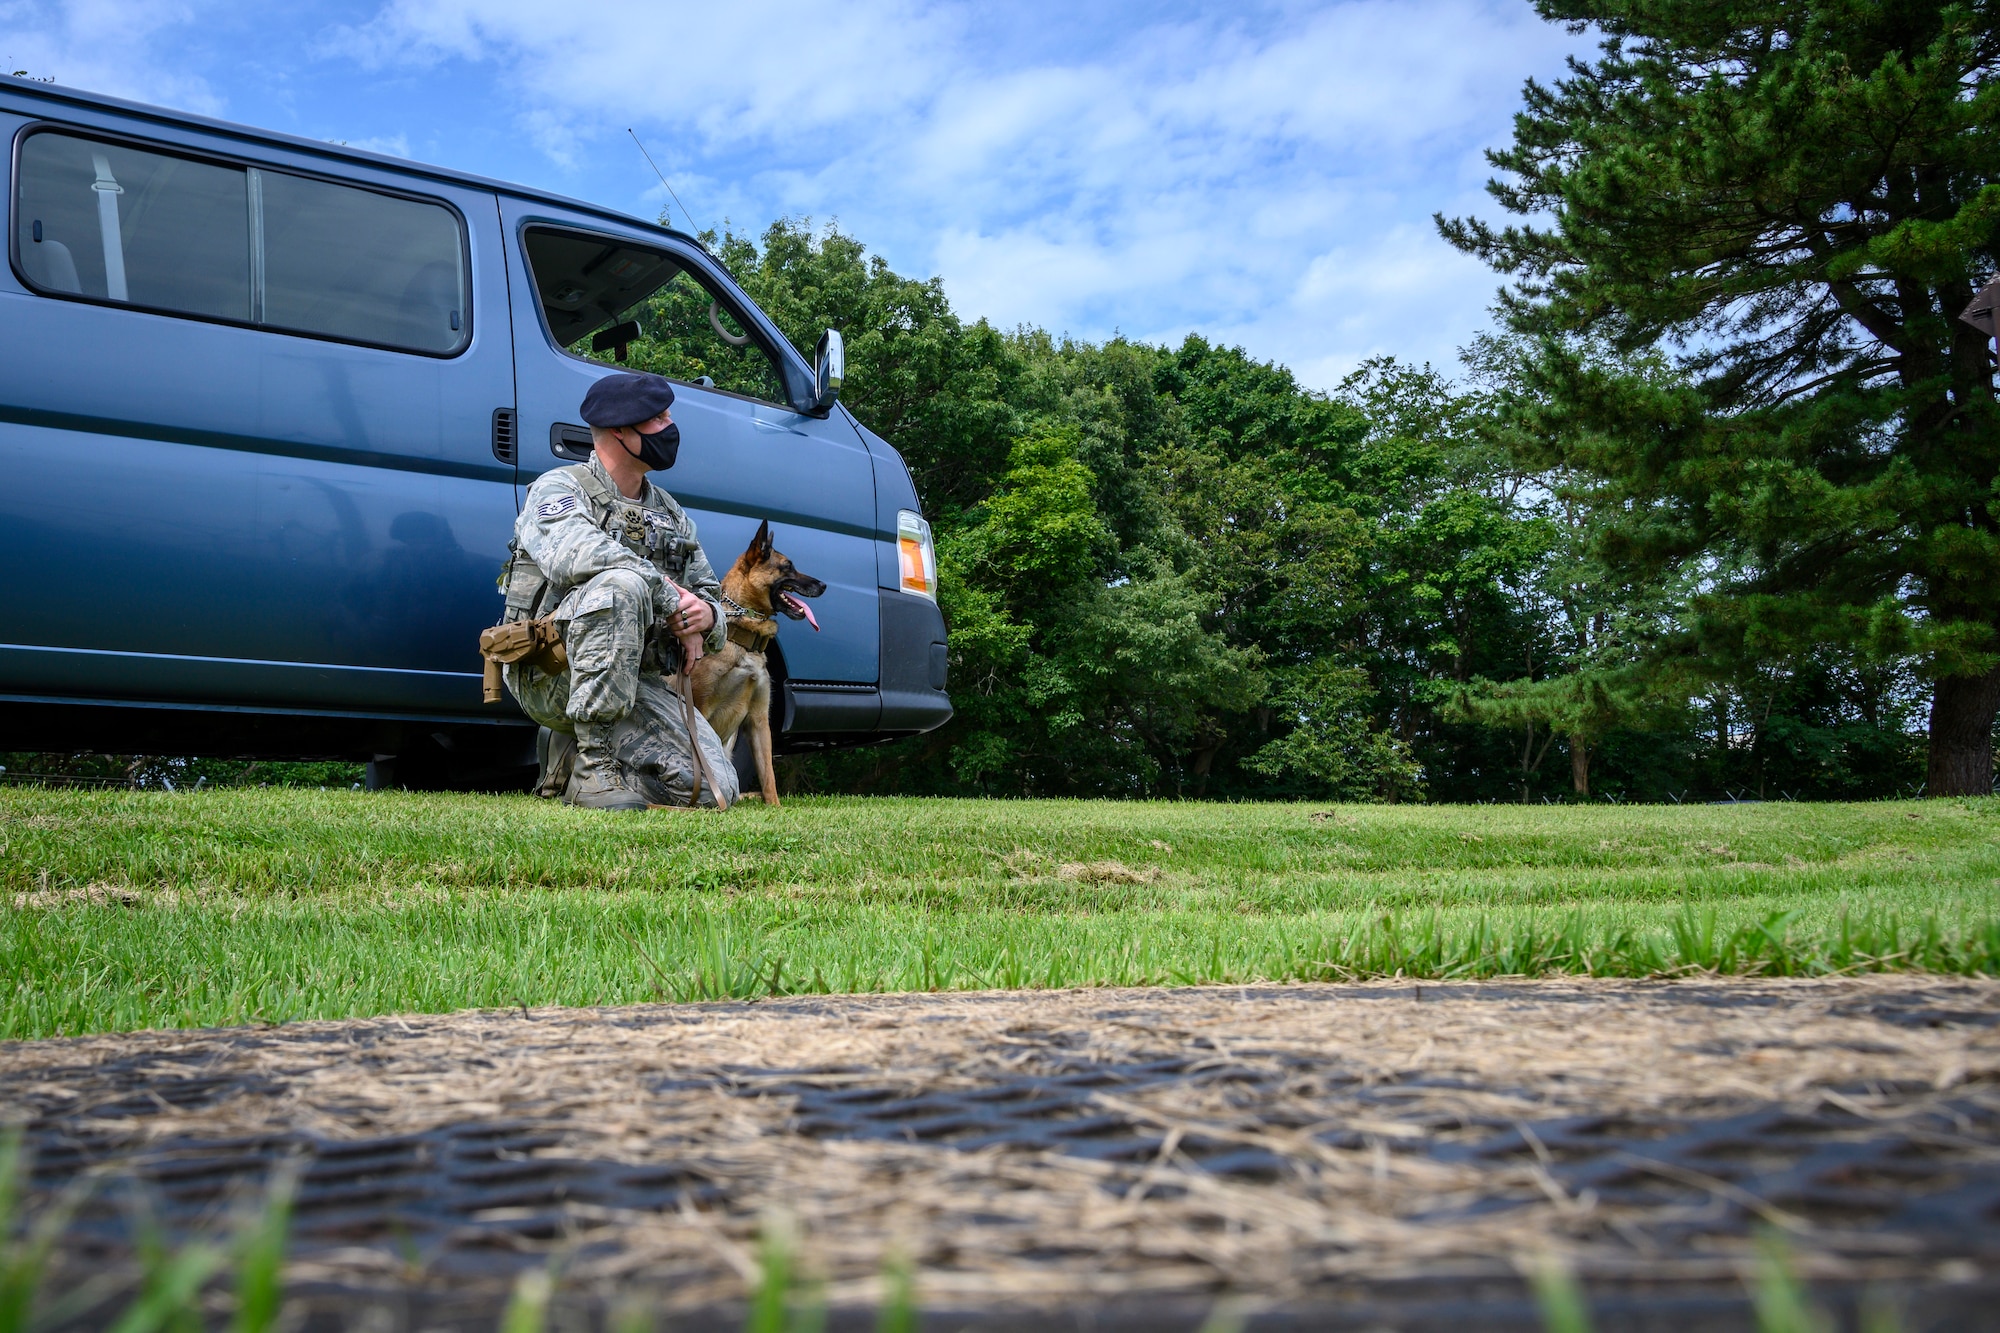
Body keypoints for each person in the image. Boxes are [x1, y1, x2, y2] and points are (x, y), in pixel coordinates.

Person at [496, 372, 739, 810]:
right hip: (553, 672)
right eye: (657, 418)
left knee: (712, 790)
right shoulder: (560, 489)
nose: (670, 427)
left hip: (635, 682)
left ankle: (568, 759)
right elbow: (575, 555)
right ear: (619, 431)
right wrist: (670, 598)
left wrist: (706, 615)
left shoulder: (669, 512)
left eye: (668, 415)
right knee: (622, 584)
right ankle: (593, 772)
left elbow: (710, 597)